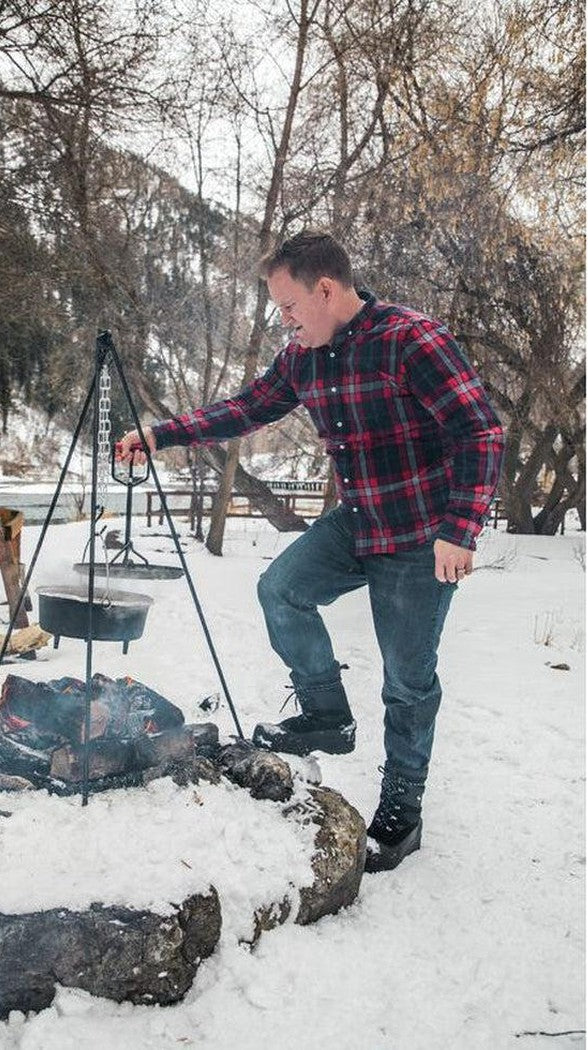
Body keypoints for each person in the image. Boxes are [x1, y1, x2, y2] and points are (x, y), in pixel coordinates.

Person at [117, 231, 504, 871]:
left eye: (290, 305)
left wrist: (460, 529)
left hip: (420, 537)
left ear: (326, 289)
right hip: (358, 522)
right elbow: (246, 408)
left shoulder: (412, 341)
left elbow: (481, 431)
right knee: (281, 590)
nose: (285, 320)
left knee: (407, 684)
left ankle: (402, 811)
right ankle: (327, 715)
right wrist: (160, 435)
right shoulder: (304, 357)